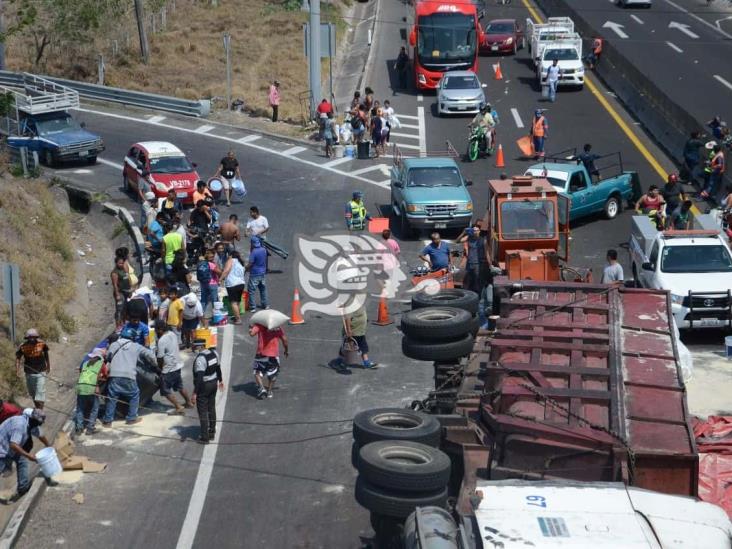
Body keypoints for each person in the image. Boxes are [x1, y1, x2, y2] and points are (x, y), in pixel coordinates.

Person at [102, 334, 156, 426]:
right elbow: (150, 355)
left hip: (114, 374)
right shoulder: (136, 346)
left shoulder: (114, 345)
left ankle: (107, 421)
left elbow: (107, 357)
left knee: (112, 397)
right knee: (134, 395)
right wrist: (155, 365)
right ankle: (131, 418)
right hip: (129, 375)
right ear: (132, 339)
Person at [0, 409, 53, 502]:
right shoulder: (20, 425)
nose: (39, 425)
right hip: (2, 449)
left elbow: (40, 435)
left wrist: (49, 446)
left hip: (11, 447)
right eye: (39, 423)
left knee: (22, 461)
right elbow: (13, 444)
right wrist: (29, 456)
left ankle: (23, 488)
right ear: (33, 419)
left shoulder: (31, 423)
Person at [155, 321, 193, 414]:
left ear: (160, 329)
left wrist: (159, 369)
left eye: (156, 329)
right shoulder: (172, 334)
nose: (156, 331)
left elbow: (160, 357)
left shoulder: (161, 341)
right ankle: (189, 402)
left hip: (168, 369)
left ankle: (178, 407)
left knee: (165, 390)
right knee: (179, 386)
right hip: (177, 365)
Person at [191, 339, 224, 444]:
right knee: (211, 407)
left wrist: (195, 393)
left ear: (199, 347)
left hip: (204, 386)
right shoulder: (214, 353)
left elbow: (200, 377)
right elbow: (218, 368)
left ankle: (204, 437)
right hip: (213, 384)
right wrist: (221, 380)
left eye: (194, 347)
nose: (194, 349)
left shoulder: (200, 359)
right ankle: (212, 431)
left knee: (202, 412)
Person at [249, 322, 289, 399]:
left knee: (257, 372)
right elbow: (285, 340)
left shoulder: (260, 325)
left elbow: (251, 334)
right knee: (273, 374)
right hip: (274, 355)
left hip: (261, 354)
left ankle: (262, 388)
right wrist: (286, 350)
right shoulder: (277, 327)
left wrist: (250, 328)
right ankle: (269, 392)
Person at [74, 348, 108, 435]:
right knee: (94, 409)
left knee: (80, 408)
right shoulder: (101, 364)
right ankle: (90, 428)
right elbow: (105, 375)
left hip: (80, 387)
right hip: (92, 388)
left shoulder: (85, 363)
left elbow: (82, 373)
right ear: (100, 357)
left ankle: (79, 428)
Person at [15, 329, 50, 410]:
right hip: (29, 373)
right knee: (33, 394)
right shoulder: (23, 346)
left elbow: (46, 355)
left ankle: (40, 412)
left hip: (41, 372)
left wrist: (48, 366)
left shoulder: (42, 344)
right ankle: (38, 409)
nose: (32, 339)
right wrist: (17, 370)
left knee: (40, 393)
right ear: (27, 338)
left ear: (36, 337)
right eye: (30, 337)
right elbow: (18, 358)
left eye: (34, 337)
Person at [342, 304, 376, 369]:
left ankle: (366, 362)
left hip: (360, 331)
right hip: (353, 331)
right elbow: (347, 317)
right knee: (347, 347)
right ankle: (340, 361)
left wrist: (365, 319)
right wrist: (349, 330)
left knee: (363, 346)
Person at [458, 224, 487, 294]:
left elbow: (487, 252)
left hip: (478, 264)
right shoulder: (469, 237)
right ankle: (469, 295)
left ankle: (478, 296)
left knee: (477, 282)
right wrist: (463, 233)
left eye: (476, 231)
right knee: (468, 281)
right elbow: (458, 241)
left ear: (479, 231)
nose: (475, 232)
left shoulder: (483, 240)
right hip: (469, 263)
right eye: (473, 231)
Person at [221, 250, 247, 325]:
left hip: (232, 284)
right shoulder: (241, 263)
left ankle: (238, 320)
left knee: (233, 302)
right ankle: (236, 316)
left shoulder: (231, 260)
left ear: (231, 255)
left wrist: (221, 279)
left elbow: (226, 270)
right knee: (237, 301)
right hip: (241, 284)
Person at [198, 248, 221, 326]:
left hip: (203, 284)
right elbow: (219, 272)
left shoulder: (201, 263)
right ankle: (216, 317)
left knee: (203, 300)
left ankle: (201, 316)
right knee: (215, 301)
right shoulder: (211, 264)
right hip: (212, 283)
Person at [246, 236, 268, 312]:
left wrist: (245, 269)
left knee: (251, 291)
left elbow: (250, 263)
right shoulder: (264, 250)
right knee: (263, 289)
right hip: (262, 273)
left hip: (254, 274)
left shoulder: (254, 252)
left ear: (252, 243)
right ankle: (265, 305)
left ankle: (252, 307)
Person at [111, 256, 132, 329]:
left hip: (126, 292)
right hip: (120, 293)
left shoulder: (124, 269)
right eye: (120, 263)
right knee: (119, 309)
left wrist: (130, 290)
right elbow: (115, 285)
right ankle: (118, 326)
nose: (121, 264)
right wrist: (117, 295)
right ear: (116, 263)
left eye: (122, 263)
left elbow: (128, 278)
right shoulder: (115, 273)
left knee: (125, 308)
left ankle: (124, 323)